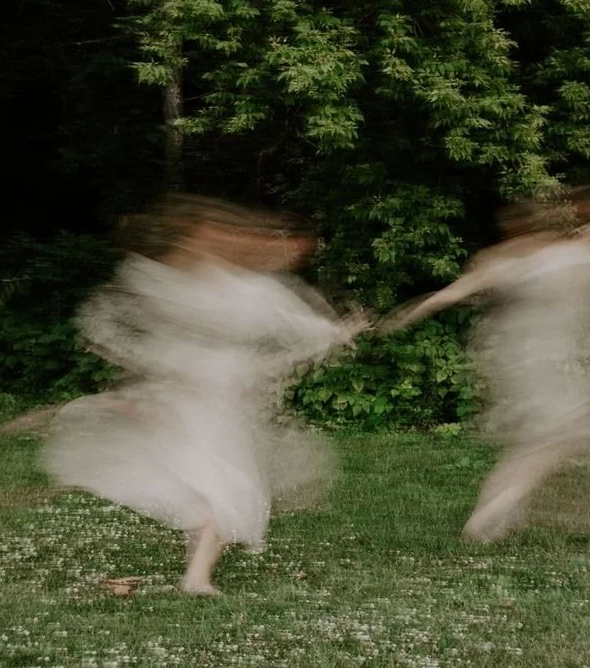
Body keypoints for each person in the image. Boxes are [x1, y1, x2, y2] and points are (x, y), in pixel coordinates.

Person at [42, 195, 368, 594]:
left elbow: (291, 321)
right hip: (182, 390)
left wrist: (335, 331)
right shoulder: (165, 280)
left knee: (226, 481)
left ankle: (198, 575)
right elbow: (116, 318)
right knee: (193, 473)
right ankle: (196, 568)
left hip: (223, 394)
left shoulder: (246, 288)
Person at [382, 186, 590, 542]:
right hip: (552, 365)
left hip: (524, 362)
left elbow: (451, 294)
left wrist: (405, 315)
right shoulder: (565, 253)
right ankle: (492, 516)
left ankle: (497, 515)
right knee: (559, 442)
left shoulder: (506, 259)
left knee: (574, 433)